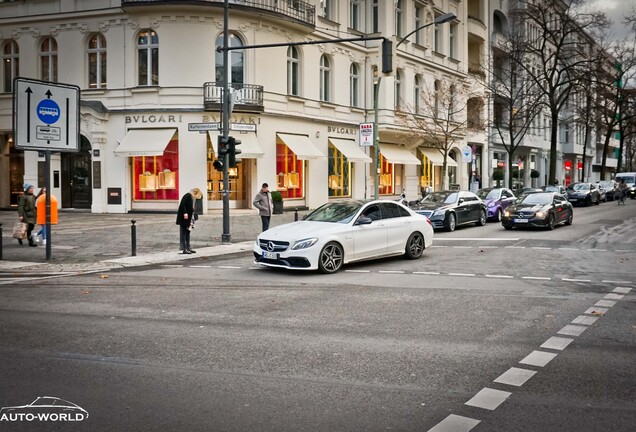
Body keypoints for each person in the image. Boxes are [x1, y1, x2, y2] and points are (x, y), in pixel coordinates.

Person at [176, 187, 202, 254]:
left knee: (187, 233)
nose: (196, 198)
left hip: (189, 218)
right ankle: (185, 249)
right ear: (195, 193)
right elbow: (182, 205)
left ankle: (188, 247)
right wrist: (185, 213)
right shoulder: (187, 195)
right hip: (185, 218)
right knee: (184, 233)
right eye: (197, 196)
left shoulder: (191, 197)